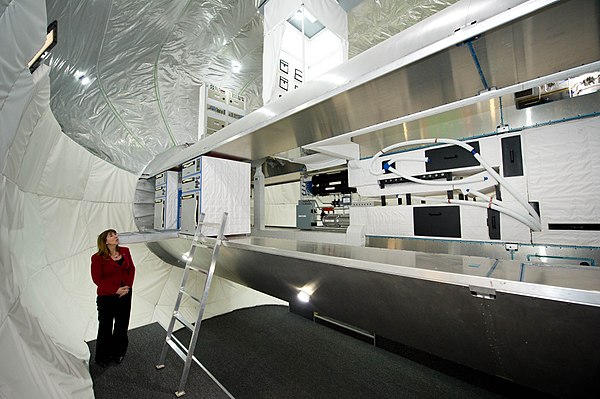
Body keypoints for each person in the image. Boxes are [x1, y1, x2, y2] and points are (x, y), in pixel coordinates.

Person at [91, 229, 136, 367]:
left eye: (116, 234)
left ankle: (118, 353)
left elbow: (131, 269)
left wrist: (127, 287)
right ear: (105, 241)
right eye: (112, 235)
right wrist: (115, 290)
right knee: (105, 326)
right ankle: (102, 357)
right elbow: (97, 279)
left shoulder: (125, 251)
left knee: (122, 325)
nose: (116, 237)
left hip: (125, 294)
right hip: (107, 297)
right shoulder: (97, 258)